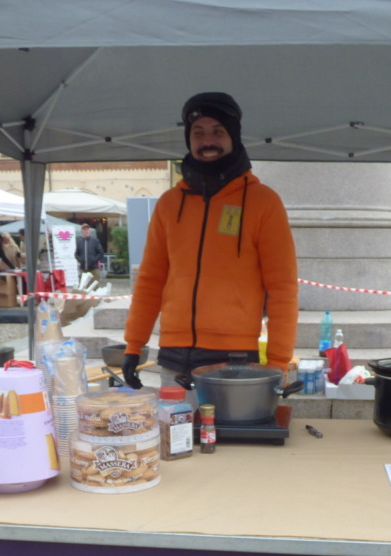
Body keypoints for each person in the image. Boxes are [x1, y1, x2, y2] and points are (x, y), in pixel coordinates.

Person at [120, 92, 298, 387]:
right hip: (174, 355)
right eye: (198, 132)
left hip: (234, 359)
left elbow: (282, 288)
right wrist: (134, 345)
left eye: (218, 131)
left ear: (233, 137)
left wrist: (278, 362)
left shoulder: (263, 202)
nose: (207, 141)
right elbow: (151, 279)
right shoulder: (169, 203)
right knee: (175, 420)